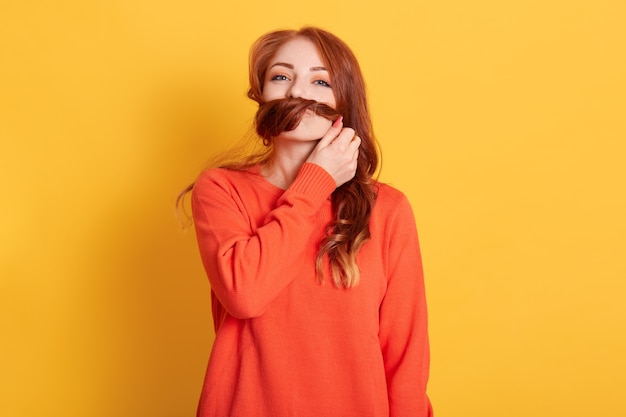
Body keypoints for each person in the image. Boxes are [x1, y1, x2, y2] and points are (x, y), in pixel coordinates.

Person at [186, 26, 432, 417]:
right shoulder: (221, 190)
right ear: (262, 96)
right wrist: (315, 182)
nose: (297, 92)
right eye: (281, 76)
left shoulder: (388, 209)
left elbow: (405, 355)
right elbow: (244, 293)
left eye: (320, 81)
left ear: (344, 102)